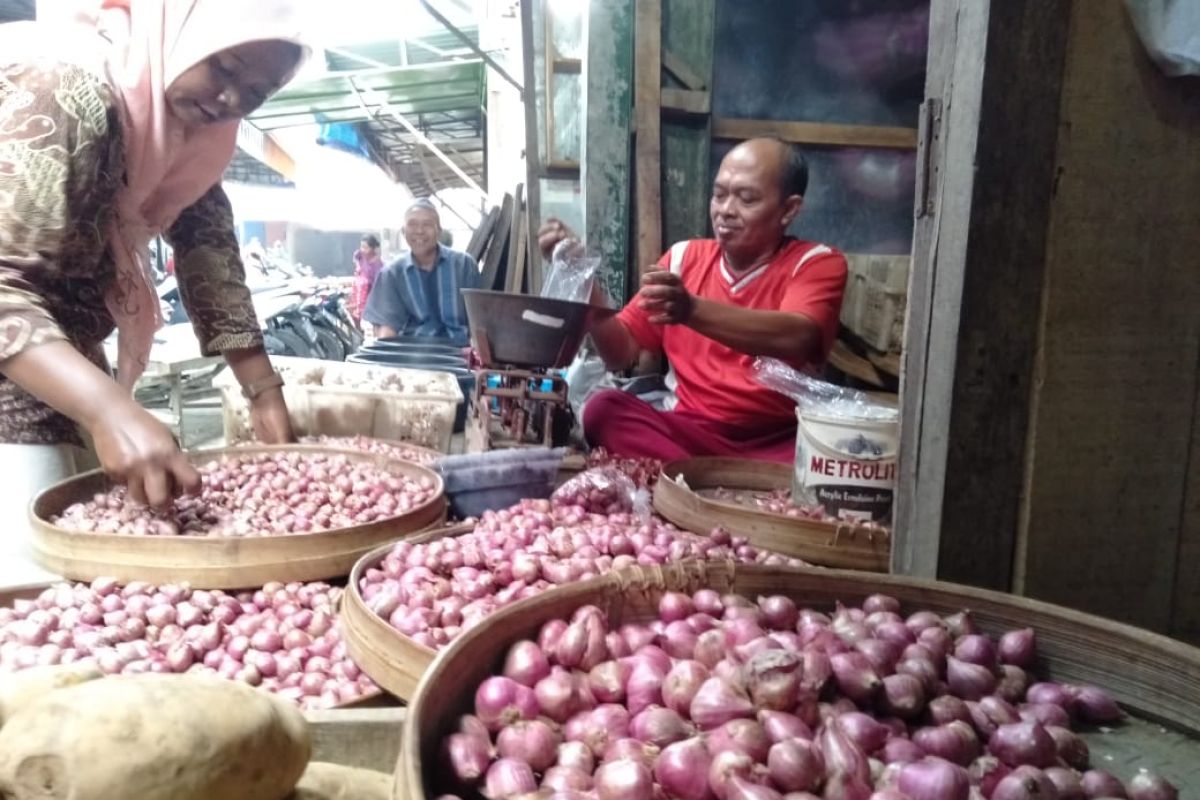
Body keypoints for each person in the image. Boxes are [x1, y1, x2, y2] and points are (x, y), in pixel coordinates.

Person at [0, 0, 308, 571]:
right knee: (31, 572)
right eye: (225, 68)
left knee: (85, 545)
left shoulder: (191, 136)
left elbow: (209, 251)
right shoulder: (66, 87)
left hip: (58, 349)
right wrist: (109, 411)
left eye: (256, 94)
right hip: (19, 348)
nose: (231, 100)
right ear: (180, 31)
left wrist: (264, 393)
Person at [537, 137, 848, 463]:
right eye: (719, 195)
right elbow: (620, 352)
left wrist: (692, 310)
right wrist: (584, 278)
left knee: (839, 454)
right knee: (603, 411)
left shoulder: (815, 262)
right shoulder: (683, 259)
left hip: (777, 437)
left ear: (789, 210)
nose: (726, 210)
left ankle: (698, 478)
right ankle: (728, 480)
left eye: (746, 199)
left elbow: (799, 336)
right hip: (690, 431)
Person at [363, 199, 481, 345]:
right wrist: (388, 359)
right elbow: (387, 328)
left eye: (427, 224)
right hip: (413, 357)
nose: (419, 231)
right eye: (412, 224)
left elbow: (480, 320)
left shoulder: (464, 264)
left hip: (460, 355)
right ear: (403, 231)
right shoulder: (392, 273)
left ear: (439, 231)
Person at [349, 234, 384, 324]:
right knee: (354, 316)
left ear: (372, 248)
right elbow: (355, 257)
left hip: (369, 294)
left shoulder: (378, 264)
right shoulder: (361, 255)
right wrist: (358, 267)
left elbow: (378, 283)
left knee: (368, 320)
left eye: (365, 247)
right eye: (361, 246)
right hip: (358, 291)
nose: (362, 249)